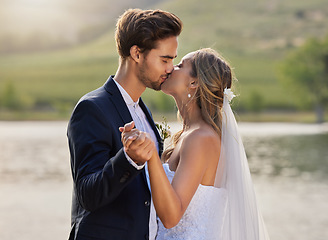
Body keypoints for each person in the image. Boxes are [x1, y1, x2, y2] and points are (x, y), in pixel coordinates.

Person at [121, 48, 270, 239]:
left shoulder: (201, 139)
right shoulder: (187, 135)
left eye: (181, 65)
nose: (171, 68)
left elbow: (171, 217)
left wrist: (151, 156)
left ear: (194, 82)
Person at [67, 8, 182, 240]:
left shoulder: (144, 111)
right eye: (165, 59)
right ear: (137, 53)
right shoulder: (92, 108)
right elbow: (87, 194)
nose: (171, 68)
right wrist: (129, 160)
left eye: (173, 60)